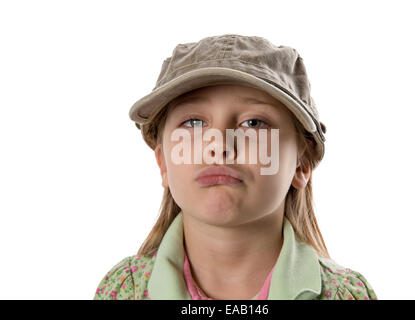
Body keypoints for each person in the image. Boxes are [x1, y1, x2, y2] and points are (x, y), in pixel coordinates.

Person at [93, 34, 378, 300]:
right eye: (193, 123)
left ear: (301, 164)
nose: (219, 145)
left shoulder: (345, 295)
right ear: (163, 163)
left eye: (253, 123)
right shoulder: (123, 291)